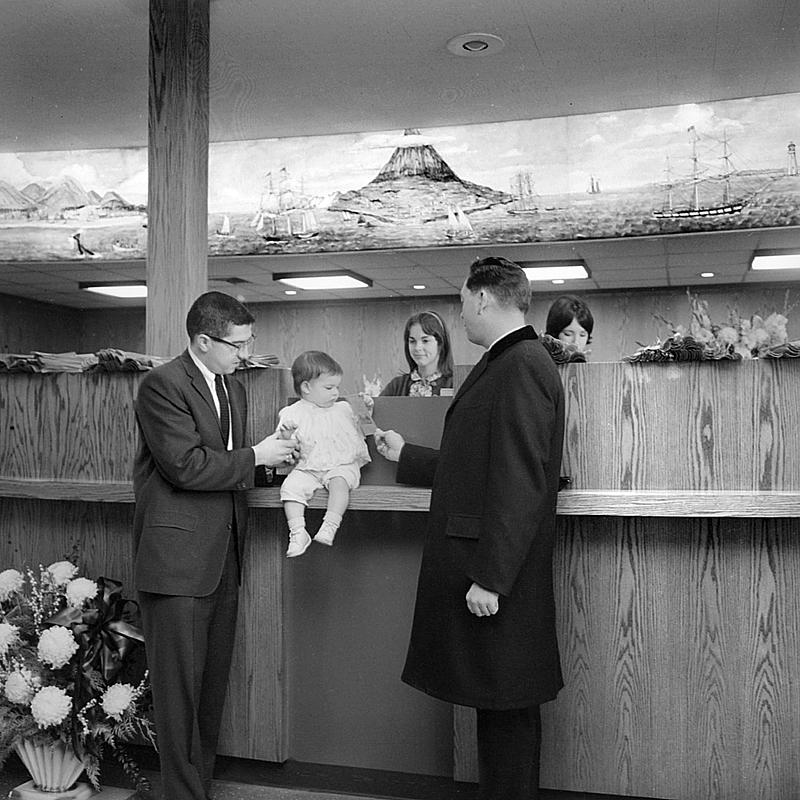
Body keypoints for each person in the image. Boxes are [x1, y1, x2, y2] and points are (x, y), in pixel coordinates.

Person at [375, 256, 565, 800]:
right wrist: (406, 455)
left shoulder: (522, 364)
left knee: (507, 715)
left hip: (497, 577)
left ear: (483, 298)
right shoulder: (506, 361)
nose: (460, 315)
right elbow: (475, 464)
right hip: (493, 571)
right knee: (499, 709)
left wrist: (492, 577)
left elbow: (520, 482)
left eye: (461, 302)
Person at [132, 291, 298, 800]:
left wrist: (274, 464)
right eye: (237, 345)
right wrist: (255, 455)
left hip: (224, 556)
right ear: (203, 341)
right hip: (178, 561)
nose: (244, 355)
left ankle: (195, 789)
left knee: (208, 695)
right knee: (178, 697)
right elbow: (184, 466)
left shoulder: (233, 389)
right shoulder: (161, 385)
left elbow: (226, 466)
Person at [278, 350, 370, 557]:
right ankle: (298, 532)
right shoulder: (293, 413)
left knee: (339, 482)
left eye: (337, 387)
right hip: (308, 466)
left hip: (341, 464)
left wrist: (366, 409)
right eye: (329, 387)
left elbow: (364, 426)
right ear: (306, 387)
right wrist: (286, 436)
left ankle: (330, 524)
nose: (335, 392)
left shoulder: (344, 408)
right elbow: (285, 449)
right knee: (290, 487)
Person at [380, 310, 454, 396]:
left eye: (425, 341)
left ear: (441, 343)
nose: (417, 348)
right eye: (412, 341)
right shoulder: (397, 386)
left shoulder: (455, 384)